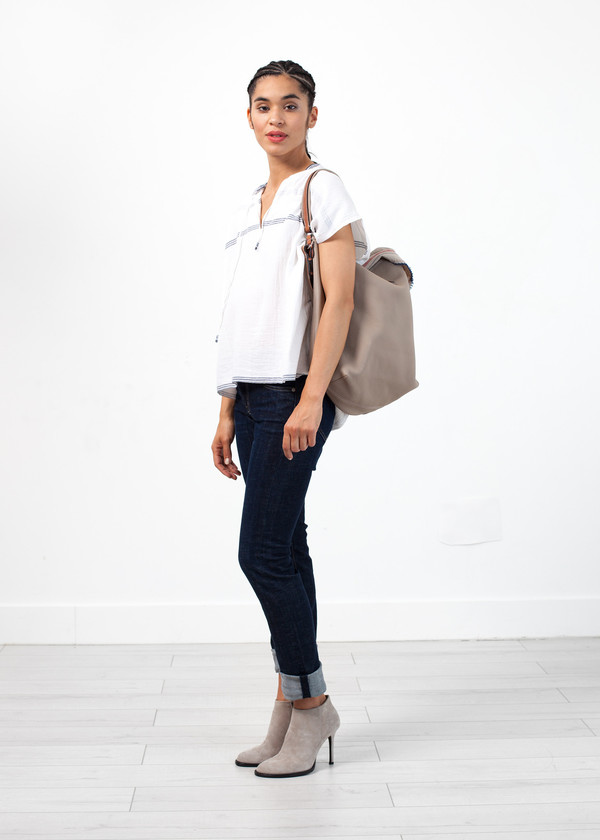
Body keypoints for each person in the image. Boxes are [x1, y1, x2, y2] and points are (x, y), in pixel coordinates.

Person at [211, 59, 370, 778]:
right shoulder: (252, 203)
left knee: (262, 554)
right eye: (263, 105)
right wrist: (224, 406)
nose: (276, 117)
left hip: (292, 394)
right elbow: (242, 314)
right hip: (250, 396)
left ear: (312, 114)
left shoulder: (322, 189)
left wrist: (312, 398)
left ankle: (313, 706)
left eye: (290, 104)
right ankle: (290, 702)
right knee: (287, 548)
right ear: (249, 116)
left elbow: (340, 301)